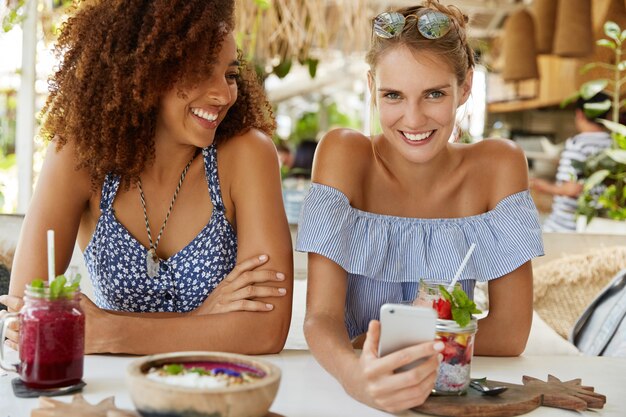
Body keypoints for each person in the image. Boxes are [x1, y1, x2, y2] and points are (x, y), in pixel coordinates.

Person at [0, 0, 293, 355]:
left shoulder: (247, 154)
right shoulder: (79, 157)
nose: (222, 94)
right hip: (111, 393)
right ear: (143, 71)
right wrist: (206, 320)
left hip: (219, 390)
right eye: (200, 71)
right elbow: (24, 319)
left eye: (230, 75)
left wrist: (111, 332)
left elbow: (267, 330)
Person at [296, 1, 543, 412]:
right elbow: (320, 319)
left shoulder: (498, 165)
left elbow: (511, 334)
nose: (413, 119)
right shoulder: (344, 154)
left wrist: (368, 343)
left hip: (448, 395)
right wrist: (353, 374)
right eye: (393, 95)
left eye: (434, 94)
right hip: (346, 397)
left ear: (464, 89)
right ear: (373, 86)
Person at [530, 92, 614, 232]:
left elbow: (572, 189)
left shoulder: (577, 144)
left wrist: (542, 186)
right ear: (608, 116)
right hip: (595, 227)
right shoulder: (614, 144)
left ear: (580, 114)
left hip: (566, 226)